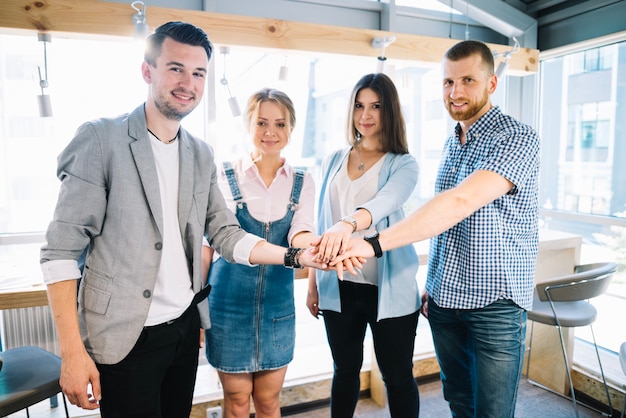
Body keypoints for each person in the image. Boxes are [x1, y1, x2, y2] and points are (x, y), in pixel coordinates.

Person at [39, 22, 331, 418]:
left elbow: (226, 232)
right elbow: (60, 251)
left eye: (198, 73)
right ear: (148, 71)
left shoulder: (200, 154)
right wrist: (71, 352)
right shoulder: (100, 139)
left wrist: (295, 257)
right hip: (124, 337)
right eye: (175, 68)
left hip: (182, 328)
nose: (187, 83)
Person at [329, 40, 540, 418]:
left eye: (467, 80)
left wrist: (372, 245)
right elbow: (446, 222)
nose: (455, 92)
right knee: (459, 403)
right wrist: (434, 281)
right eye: (447, 82)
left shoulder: (516, 138)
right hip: (444, 301)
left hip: (494, 304)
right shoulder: (451, 143)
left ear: (492, 84)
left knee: (492, 412)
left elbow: (459, 203)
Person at [307, 73, 421, 417]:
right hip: (339, 287)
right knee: (344, 371)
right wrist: (313, 284)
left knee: (397, 375)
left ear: (390, 111)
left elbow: (386, 201)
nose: (365, 115)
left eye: (376, 106)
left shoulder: (404, 163)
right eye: (359, 105)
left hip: (390, 290)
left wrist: (349, 224)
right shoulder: (334, 159)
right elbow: (320, 224)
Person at [204, 88, 316, 417]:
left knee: (269, 400)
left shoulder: (301, 180)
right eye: (261, 122)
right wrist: (197, 306)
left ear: (291, 129)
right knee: (237, 400)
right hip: (227, 308)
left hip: (276, 309)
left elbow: (301, 231)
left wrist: (319, 246)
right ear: (248, 125)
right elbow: (208, 245)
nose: (270, 132)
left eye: (280, 124)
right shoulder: (224, 176)